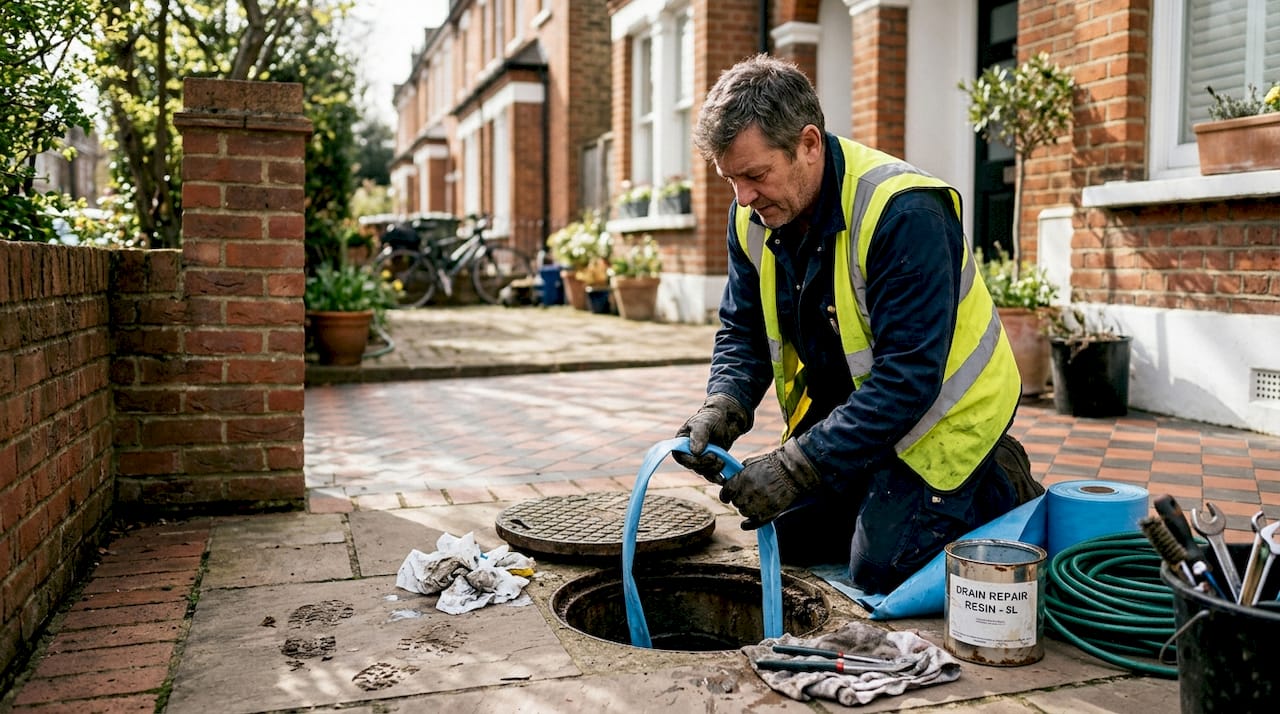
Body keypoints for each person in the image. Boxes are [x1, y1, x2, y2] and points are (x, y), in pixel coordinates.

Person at [673, 54, 1042, 594]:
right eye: (731, 179)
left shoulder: (905, 213)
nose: (743, 197)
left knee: (883, 567)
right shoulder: (752, 216)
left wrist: (798, 467)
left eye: (755, 175)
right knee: (791, 537)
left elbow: (908, 378)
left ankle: (999, 479)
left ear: (809, 144)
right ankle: (877, 494)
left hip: (943, 420)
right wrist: (724, 403)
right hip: (857, 415)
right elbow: (742, 330)